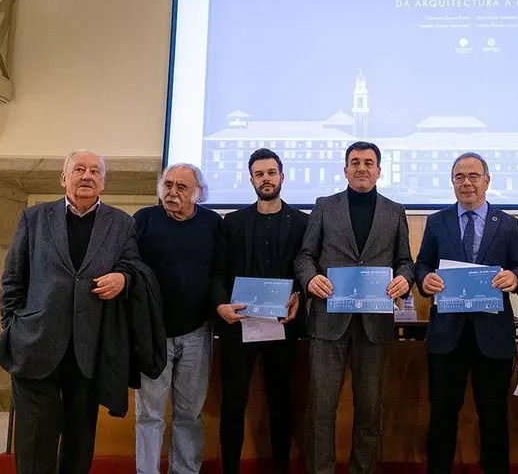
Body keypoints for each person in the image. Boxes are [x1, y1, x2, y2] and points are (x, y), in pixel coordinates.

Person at [0, 151, 149, 474]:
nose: (87, 176)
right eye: (79, 169)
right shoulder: (34, 218)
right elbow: (13, 280)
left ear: (103, 182)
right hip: (35, 344)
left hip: (88, 349)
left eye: (94, 171)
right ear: (64, 178)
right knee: (35, 439)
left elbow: (133, 265)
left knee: (80, 439)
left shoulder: (121, 223)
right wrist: (16, 327)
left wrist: (124, 277)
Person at [295, 141, 414, 474]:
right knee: (321, 408)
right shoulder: (324, 206)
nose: (362, 168)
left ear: (379, 170)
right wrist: (310, 280)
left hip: (374, 325)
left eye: (369, 162)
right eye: (355, 162)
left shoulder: (395, 211)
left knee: (369, 410)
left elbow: (405, 261)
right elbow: (304, 256)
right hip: (327, 323)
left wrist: (405, 279)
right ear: (345, 169)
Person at [414, 152, 518, 474]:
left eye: (473, 176)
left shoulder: (508, 224)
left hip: (492, 337)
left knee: (493, 416)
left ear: (487, 181)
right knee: (442, 415)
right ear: (452, 182)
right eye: (459, 177)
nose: (466, 183)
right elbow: (423, 263)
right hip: (446, 336)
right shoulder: (437, 222)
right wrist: (425, 279)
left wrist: (516, 277)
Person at [212, 148, 308, 474]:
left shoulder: (303, 223)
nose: (265, 179)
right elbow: (217, 273)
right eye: (259, 174)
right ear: (251, 179)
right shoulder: (233, 222)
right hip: (238, 326)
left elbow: (307, 270)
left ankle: (280, 467)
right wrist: (220, 305)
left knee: (281, 402)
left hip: (282, 325)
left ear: (282, 176)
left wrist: (300, 295)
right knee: (233, 402)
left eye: (271, 172)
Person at [133, 164, 221, 474]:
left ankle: (184, 471)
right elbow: (128, 267)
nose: (173, 192)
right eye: (168, 185)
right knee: (149, 414)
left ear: (199, 193)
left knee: (189, 413)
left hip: (198, 332)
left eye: (182, 187)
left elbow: (220, 274)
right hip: (153, 335)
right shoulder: (143, 220)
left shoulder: (212, 223)